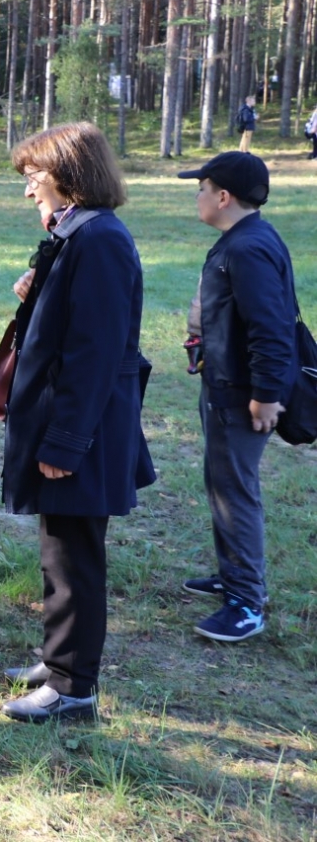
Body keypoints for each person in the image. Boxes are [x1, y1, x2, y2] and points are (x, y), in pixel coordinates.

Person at [0, 121, 153, 723]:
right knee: (58, 550)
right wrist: (36, 292)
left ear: (67, 175)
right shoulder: (75, 235)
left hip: (81, 431)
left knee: (75, 558)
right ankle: (59, 657)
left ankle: (72, 688)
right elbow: (67, 324)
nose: (29, 190)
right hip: (68, 423)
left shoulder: (101, 241)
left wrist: (66, 440)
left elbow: (95, 351)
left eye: (34, 177)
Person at [175, 151, 296, 643]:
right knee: (223, 485)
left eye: (201, 188)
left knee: (234, 493)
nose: (197, 196)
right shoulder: (244, 238)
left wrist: (265, 395)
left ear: (223, 196)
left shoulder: (247, 248)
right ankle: (234, 578)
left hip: (242, 395)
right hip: (226, 387)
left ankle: (246, 602)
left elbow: (271, 329)